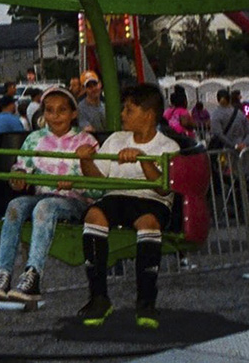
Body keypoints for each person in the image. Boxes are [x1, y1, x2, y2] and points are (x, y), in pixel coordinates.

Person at [77, 83, 180, 330]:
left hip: (151, 199)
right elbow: (99, 180)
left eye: (129, 110)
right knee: (94, 215)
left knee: (148, 223)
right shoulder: (115, 139)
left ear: (148, 115)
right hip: (118, 195)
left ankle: (146, 300)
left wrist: (143, 161)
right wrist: (85, 161)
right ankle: (98, 296)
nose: (122, 115)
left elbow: (164, 188)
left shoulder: (168, 147)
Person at [0, 86, 97, 301]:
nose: (55, 117)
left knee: (44, 207)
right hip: (41, 196)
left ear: (73, 114)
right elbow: (21, 172)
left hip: (73, 200)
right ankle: (3, 272)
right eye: (49, 111)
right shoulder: (34, 140)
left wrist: (75, 183)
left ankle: (33, 274)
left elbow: (96, 185)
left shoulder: (86, 142)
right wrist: (17, 179)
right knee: (15, 206)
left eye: (62, 111)